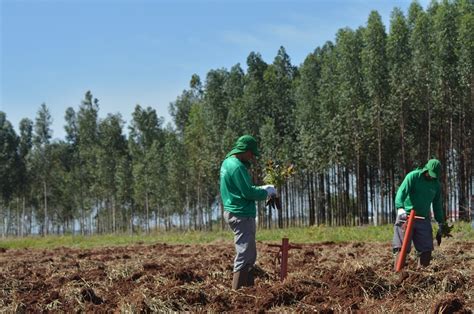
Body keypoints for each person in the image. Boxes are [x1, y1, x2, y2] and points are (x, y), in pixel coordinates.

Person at [220, 135, 276, 290]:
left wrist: (261, 189)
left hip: (234, 210)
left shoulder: (227, 162)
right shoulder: (237, 167)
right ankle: (236, 293)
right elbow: (247, 193)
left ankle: (249, 292)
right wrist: (267, 192)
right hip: (241, 213)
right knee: (245, 253)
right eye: (251, 153)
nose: (253, 157)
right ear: (244, 150)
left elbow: (242, 189)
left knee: (249, 254)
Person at [392, 158, 447, 269]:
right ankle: (397, 274)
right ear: (426, 169)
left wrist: (441, 222)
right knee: (402, 247)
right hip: (406, 216)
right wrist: (400, 208)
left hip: (423, 218)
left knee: (426, 249)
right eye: (430, 174)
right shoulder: (413, 176)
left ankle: (421, 275)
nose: (432, 177)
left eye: (434, 176)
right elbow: (401, 192)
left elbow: (437, 205)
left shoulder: (436, 185)